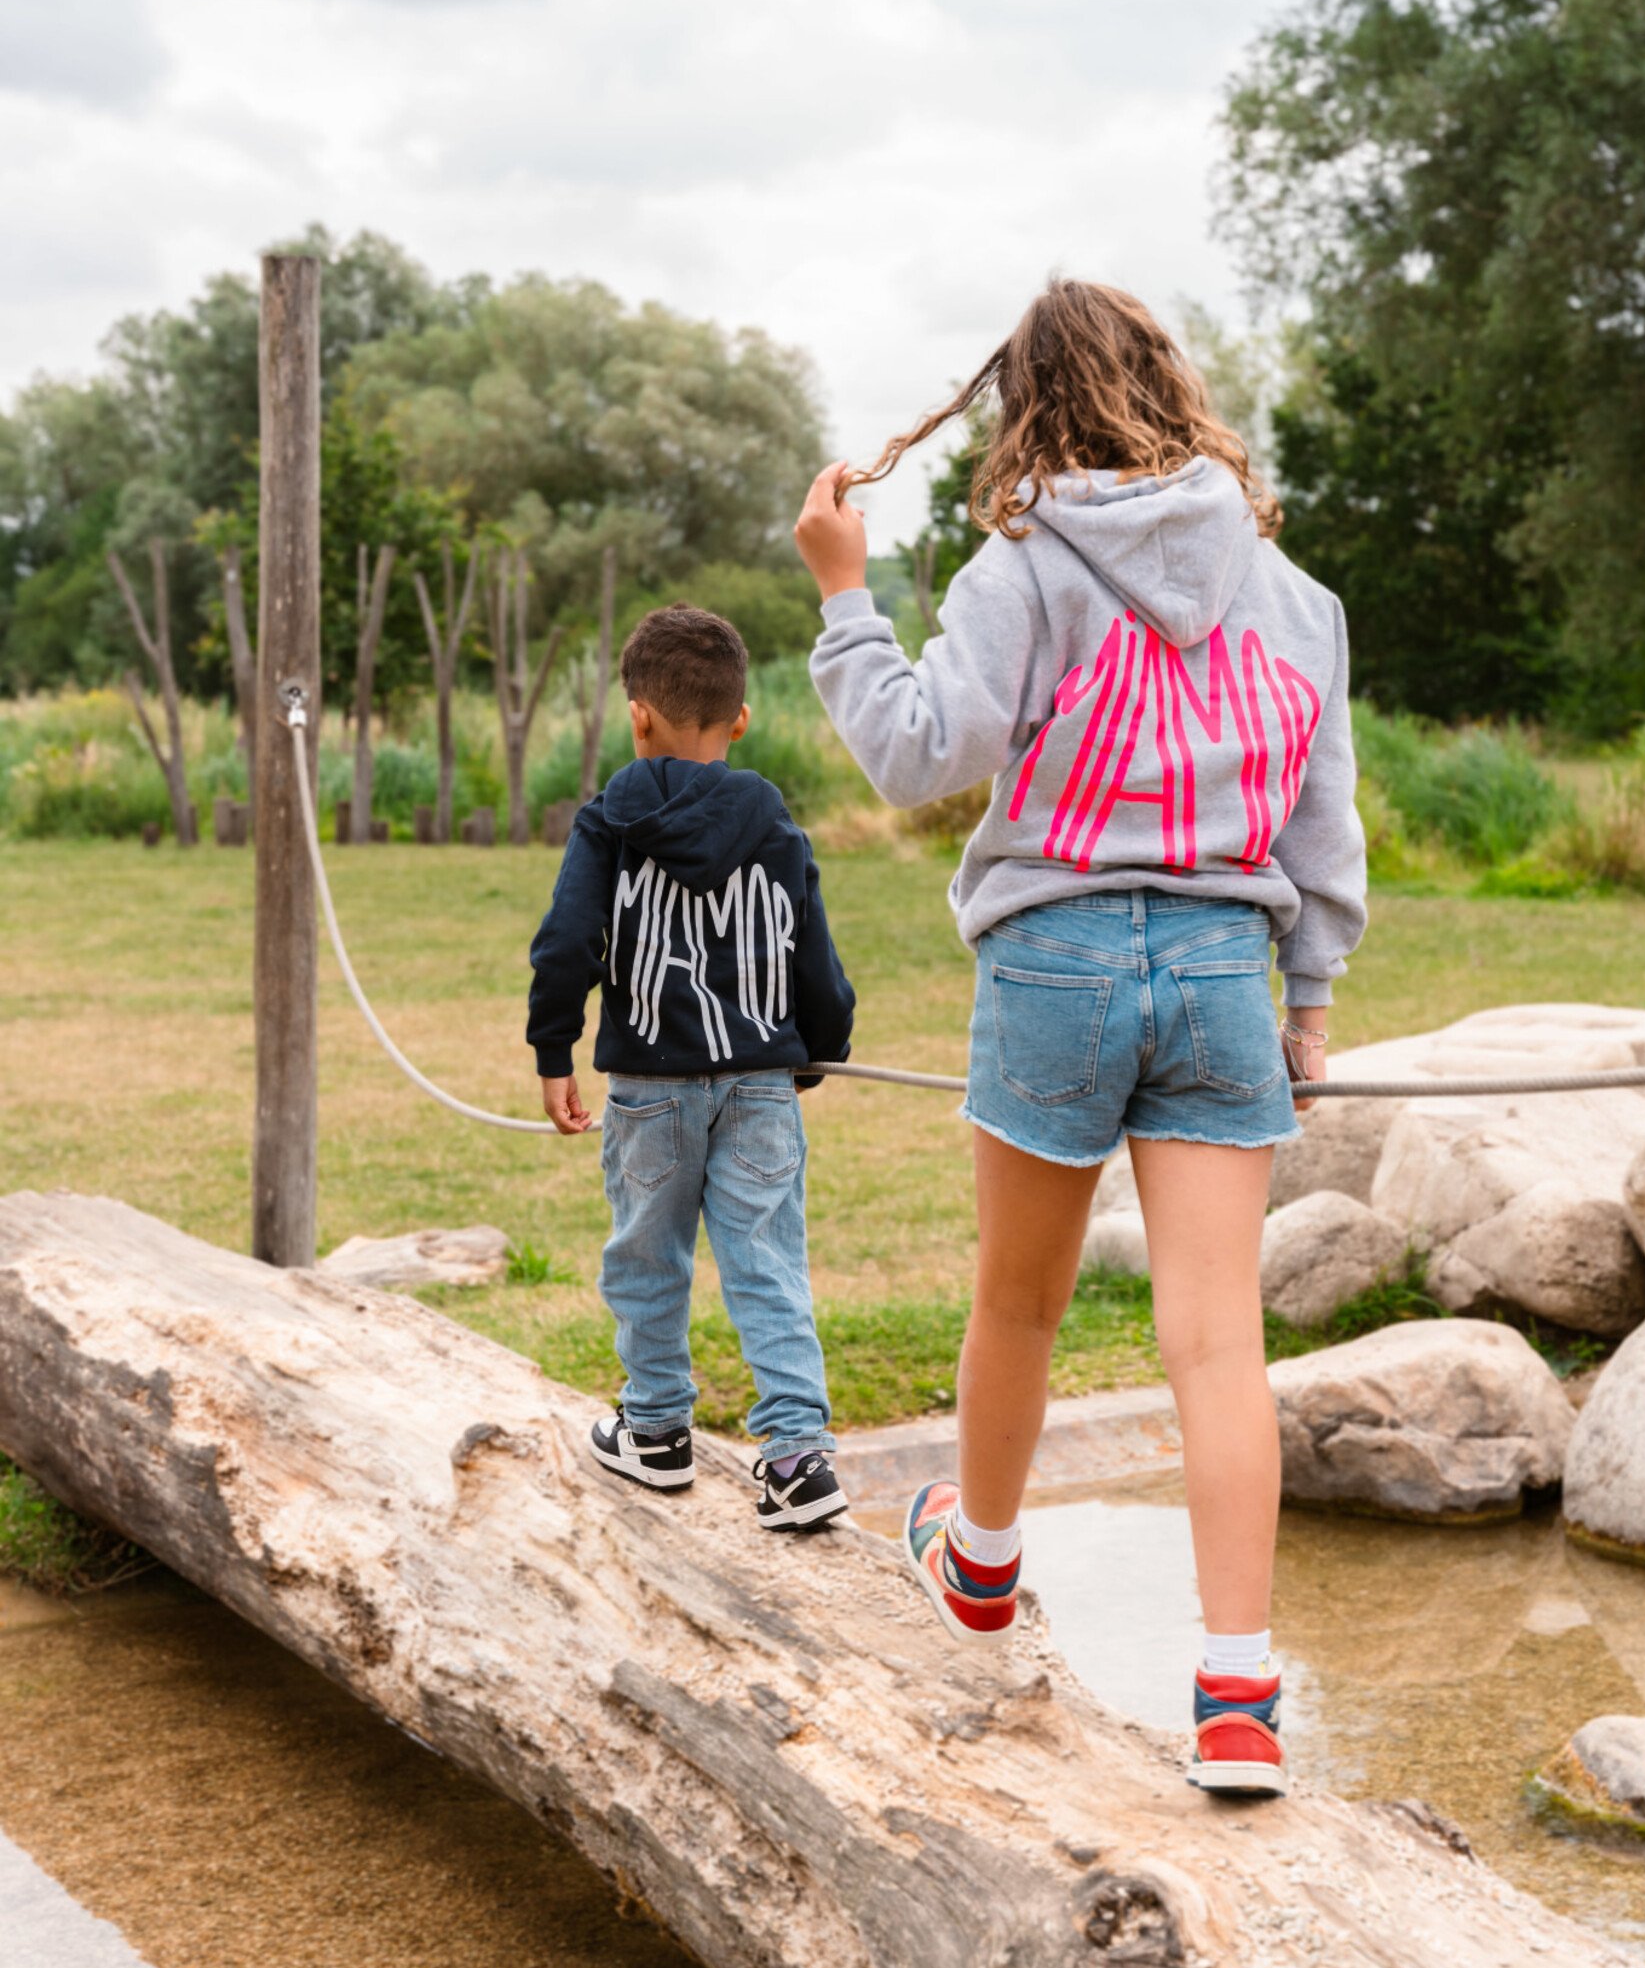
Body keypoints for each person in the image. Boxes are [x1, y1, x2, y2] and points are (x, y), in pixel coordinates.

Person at [794, 278, 1366, 1795]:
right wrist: (1309, 997)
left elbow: (921, 754)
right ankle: (1239, 1694)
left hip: (1051, 963)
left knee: (1021, 1305)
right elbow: (1323, 820)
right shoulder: (1293, 596)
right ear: (1172, 388)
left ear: (1023, 408)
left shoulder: (1022, 568)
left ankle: (978, 1560)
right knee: (1217, 1339)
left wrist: (846, 596)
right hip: (1222, 970)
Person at [526, 602, 857, 1533]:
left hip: (651, 1087)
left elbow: (566, 944)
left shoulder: (608, 824)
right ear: (739, 719)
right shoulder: (775, 824)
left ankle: (658, 1430)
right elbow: (811, 948)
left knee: (647, 1254)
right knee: (767, 1262)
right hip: (760, 1082)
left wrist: (554, 1047)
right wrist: (819, 1043)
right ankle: (797, 1457)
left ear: (637, 715)